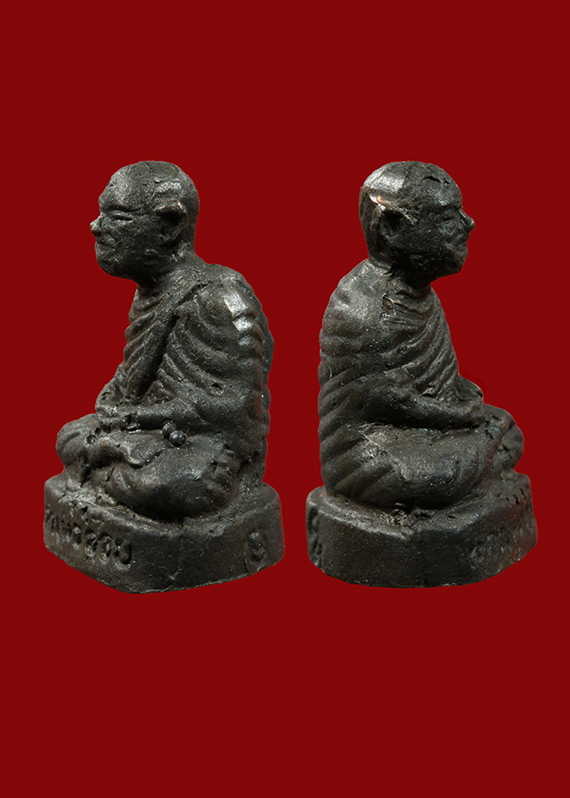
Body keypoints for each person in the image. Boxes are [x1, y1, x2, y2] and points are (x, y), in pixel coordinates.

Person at [56, 161, 272, 520]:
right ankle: (114, 457)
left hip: (198, 444)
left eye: (117, 218)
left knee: (170, 485)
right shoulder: (149, 293)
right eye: (101, 214)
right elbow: (131, 380)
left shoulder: (218, 297)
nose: (96, 226)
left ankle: (109, 462)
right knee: (69, 436)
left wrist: (137, 417)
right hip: (148, 434)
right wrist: (113, 403)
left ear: (169, 226)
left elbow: (237, 407)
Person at [318, 161, 523, 509]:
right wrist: (458, 416)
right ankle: (477, 468)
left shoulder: (419, 294)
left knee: (507, 428)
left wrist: (460, 393)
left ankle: (476, 466)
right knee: (424, 477)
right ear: (392, 229)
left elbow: (437, 377)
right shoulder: (363, 307)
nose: (468, 223)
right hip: (368, 446)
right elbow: (384, 402)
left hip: (429, 430)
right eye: (447, 218)